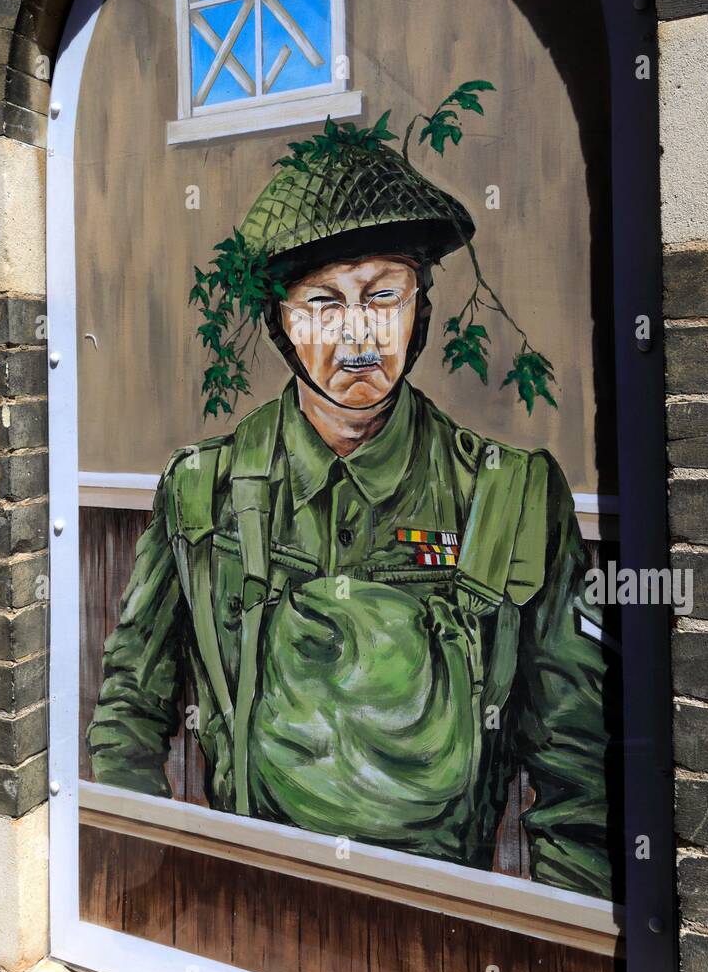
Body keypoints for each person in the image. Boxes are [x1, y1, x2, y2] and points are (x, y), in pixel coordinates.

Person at [87, 129, 620, 899]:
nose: (359, 335)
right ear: (282, 323)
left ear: (420, 311)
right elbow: (130, 713)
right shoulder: (201, 492)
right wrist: (151, 893)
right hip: (250, 910)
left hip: (444, 925)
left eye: (381, 296)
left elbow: (578, 773)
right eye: (324, 303)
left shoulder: (511, 495)